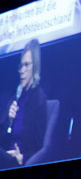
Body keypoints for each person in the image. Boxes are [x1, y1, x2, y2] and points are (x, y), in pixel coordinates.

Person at [3, 39, 49, 168]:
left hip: (23, 163)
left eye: (27, 65)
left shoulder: (39, 98)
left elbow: (41, 147)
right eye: (20, 66)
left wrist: (22, 157)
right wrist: (9, 121)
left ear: (35, 67)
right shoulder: (15, 98)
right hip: (6, 158)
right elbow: (3, 140)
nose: (22, 70)